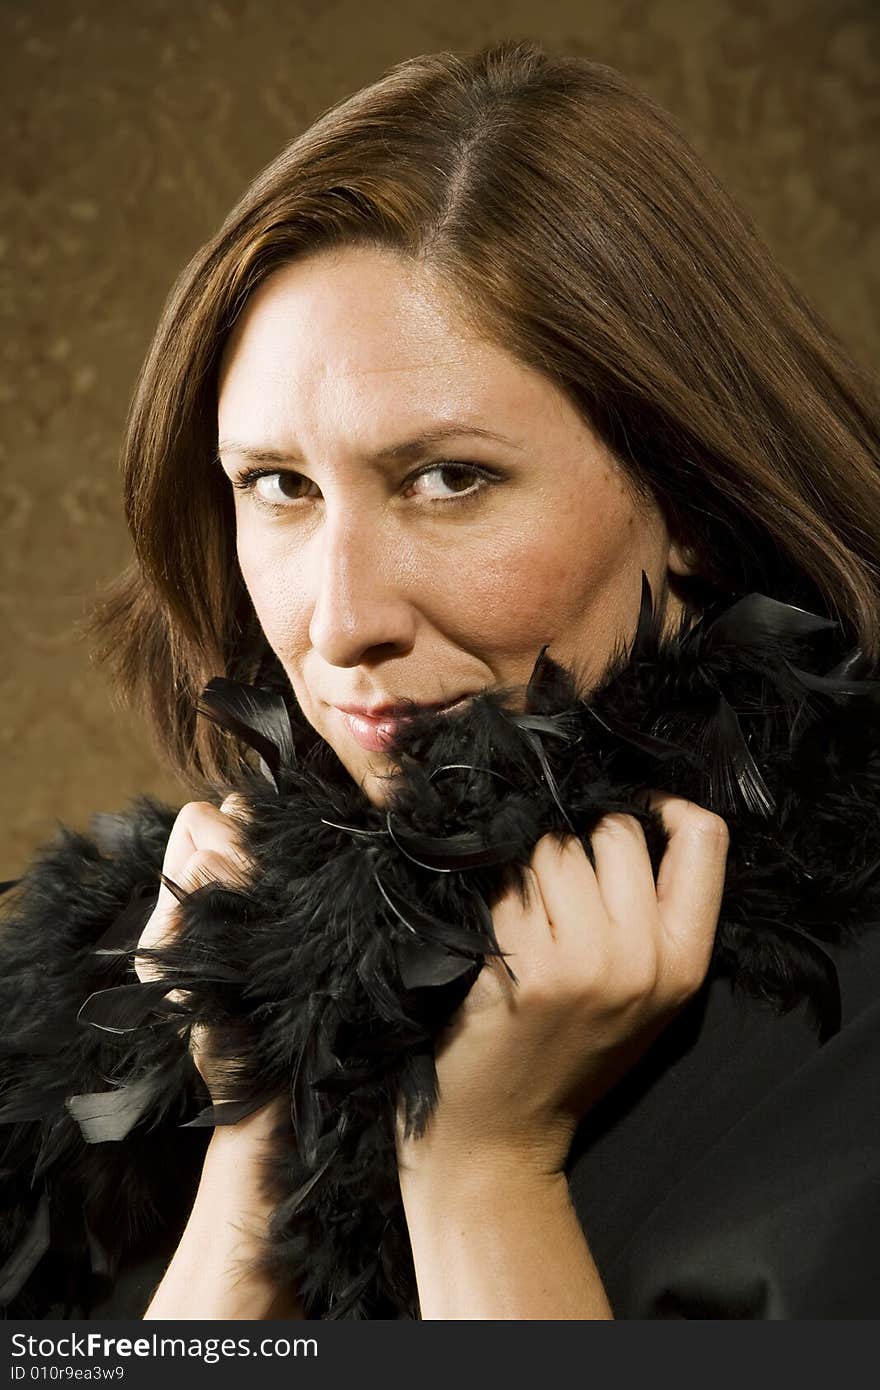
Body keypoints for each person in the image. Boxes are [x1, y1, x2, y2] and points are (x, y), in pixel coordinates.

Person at [2, 38, 879, 1321]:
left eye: (448, 479)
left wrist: (482, 1171)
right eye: (279, 487)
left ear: (686, 488)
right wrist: (257, 1158)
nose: (340, 618)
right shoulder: (152, 988)